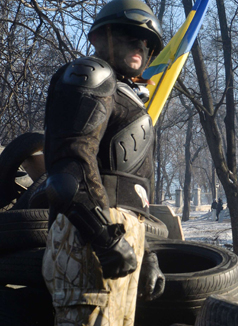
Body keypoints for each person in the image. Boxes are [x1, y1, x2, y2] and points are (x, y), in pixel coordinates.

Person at [41, 1, 165, 324]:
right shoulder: (91, 77)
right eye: (130, 34)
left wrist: (148, 253)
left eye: (146, 41)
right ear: (103, 35)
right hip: (88, 239)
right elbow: (70, 168)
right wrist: (104, 236)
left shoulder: (131, 98)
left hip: (116, 242)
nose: (140, 44)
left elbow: (132, 198)